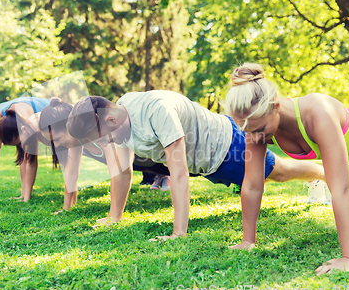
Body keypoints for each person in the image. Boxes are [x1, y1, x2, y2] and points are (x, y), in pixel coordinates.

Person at [66, 91, 327, 240]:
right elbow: (121, 171)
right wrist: (114, 217)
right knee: (274, 174)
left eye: (100, 138)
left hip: (227, 146)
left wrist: (178, 233)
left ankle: (320, 174)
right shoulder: (117, 123)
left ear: (110, 119)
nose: (103, 144)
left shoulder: (156, 111)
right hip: (205, 163)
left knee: (279, 173)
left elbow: (178, 174)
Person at [224, 63, 349, 275]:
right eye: (246, 131)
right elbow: (253, 185)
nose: (253, 137)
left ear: (275, 105)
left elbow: (340, 189)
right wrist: (248, 241)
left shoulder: (318, 114)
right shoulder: (256, 125)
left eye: (259, 130)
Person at [2, 98, 172, 212]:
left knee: (185, 169)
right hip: (140, 160)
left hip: (149, 158)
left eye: (59, 139)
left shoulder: (97, 131)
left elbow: (119, 172)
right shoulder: (76, 140)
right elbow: (71, 173)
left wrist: (114, 216)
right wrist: (66, 208)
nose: (58, 145)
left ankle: (164, 177)